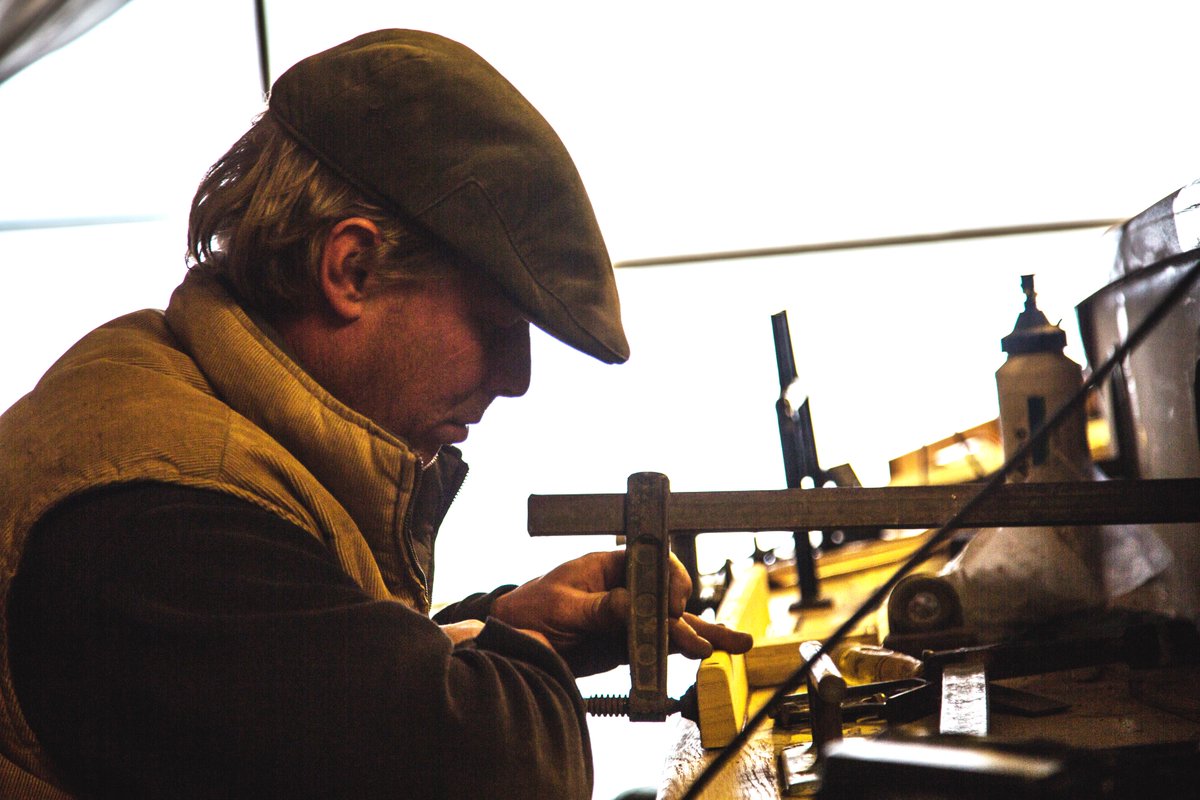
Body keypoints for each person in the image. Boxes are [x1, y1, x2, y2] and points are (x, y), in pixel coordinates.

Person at [0, 29, 751, 799]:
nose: (517, 378)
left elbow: (313, 687)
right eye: (496, 325)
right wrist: (510, 665)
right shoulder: (156, 521)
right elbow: (508, 777)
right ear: (351, 269)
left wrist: (507, 623)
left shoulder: (191, 407)